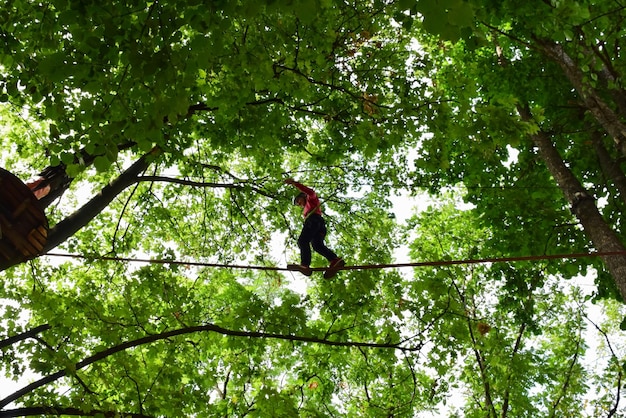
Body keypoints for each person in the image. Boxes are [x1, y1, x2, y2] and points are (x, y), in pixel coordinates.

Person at [284, 178, 345, 278]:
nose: (299, 204)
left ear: (303, 196)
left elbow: (311, 192)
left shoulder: (311, 199)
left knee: (302, 241)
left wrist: (294, 183)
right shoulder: (306, 209)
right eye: (297, 204)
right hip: (318, 225)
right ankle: (334, 260)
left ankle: (305, 265)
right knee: (317, 246)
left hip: (314, 221)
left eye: (298, 201)